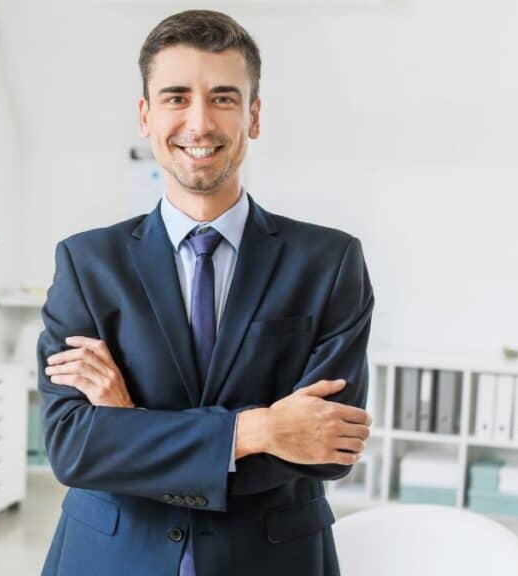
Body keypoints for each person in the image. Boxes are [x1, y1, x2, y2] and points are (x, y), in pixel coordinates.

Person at [37, 9, 374, 576]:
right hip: (110, 557)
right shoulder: (86, 263)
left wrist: (130, 426)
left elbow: (326, 451)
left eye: (223, 97)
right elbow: (72, 445)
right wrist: (259, 429)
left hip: (271, 560)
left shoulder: (330, 262)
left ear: (253, 115)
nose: (199, 122)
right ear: (145, 116)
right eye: (175, 97)